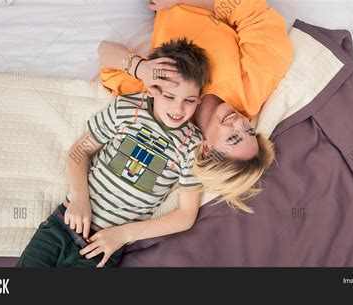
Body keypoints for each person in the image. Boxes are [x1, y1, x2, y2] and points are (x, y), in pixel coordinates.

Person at [17, 38, 211, 267]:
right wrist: (79, 197)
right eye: (169, 96)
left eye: (189, 100)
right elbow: (79, 151)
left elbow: (186, 216)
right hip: (65, 222)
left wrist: (123, 235)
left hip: (105, 246)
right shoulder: (127, 108)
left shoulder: (192, 144)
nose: (178, 109)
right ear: (152, 89)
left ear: (199, 99)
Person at [97, 0, 294, 212]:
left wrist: (139, 68)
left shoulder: (168, 105)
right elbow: (251, 11)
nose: (238, 122)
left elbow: (105, 53)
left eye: (233, 137)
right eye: (248, 130)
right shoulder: (252, 90)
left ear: (207, 149)